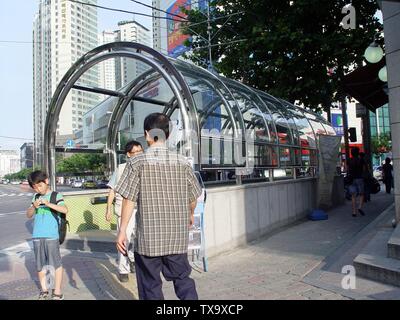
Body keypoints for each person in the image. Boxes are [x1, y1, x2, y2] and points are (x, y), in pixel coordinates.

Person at [115, 113, 202, 300]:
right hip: (176, 237)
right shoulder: (182, 162)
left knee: (150, 287)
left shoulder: (136, 162)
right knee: (183, 280)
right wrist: (191, 213)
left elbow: (129, 199)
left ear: (147, 134)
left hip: (148, 239)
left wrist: (122, 230)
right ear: (168, 135)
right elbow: (194, 196)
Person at [26, 170, 68, 300]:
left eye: (40, 185)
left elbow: (65, 209)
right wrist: (34, 206)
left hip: (51, 236)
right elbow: (28, 215)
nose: (37, 189)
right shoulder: (35, 197)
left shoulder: (56, 195)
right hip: (37, 236)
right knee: (40, 265)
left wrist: (49, 204)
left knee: (56, 264)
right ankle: (44, 290)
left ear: (47, 181)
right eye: (34, 187)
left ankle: (57, 291)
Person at [106, 140, 143, 283]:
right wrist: (108, 208)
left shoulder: (144, 167)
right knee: (124, 240)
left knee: (138, 240)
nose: (139, 155)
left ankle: (133, 260)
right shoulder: (121, 169)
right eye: (136, 152)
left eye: (141, 152)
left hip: (141, 211)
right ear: (128, 154)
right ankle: (123, 269)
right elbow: (112, 190)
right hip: (123, 211)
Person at [346, 147, 367, 217]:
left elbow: (347, 169)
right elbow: (364, 170)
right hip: (359, 178)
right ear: (358, 153)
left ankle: (354, 212)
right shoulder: (361, 160)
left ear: (351, 153)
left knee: (353, 196)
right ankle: (360, 207)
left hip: (351, 179)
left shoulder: (349, 160)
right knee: (361, 194)